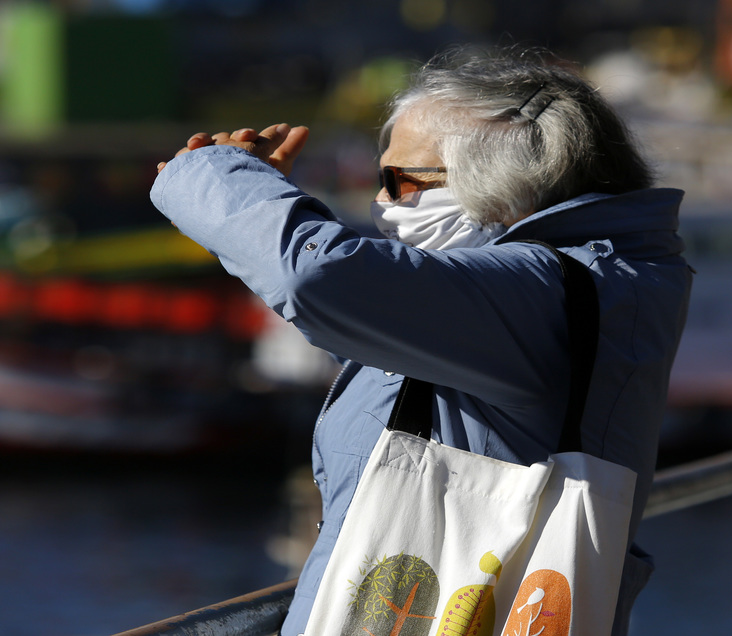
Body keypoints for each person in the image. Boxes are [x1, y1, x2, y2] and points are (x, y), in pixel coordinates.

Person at [150, 45, 691, 636]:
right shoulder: (576, 286)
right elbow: (356, 320)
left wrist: (207, 176)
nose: (383, 201)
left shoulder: (540, 296)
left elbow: (316, 278)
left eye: (399, 179)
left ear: (505, 185)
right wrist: (238, 221)